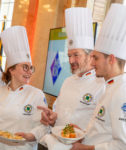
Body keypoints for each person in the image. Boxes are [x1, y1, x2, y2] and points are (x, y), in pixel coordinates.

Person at [16, 7, 105, 150]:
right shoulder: (68, 81)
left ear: (90, 55)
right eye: (69, 56)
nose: (70, 61)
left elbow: (104, 128)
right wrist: (52, 118)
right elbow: (60, 114)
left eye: (76, 55)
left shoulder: (102, 84)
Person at [0, 26, 48, 150]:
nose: (30, 72)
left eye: (31, 68)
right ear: (12, 69)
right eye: (25, 67)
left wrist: (31, 135)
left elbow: (44, 126)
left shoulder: (37, 95)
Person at [71, 3, 126, 150]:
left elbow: (122, 145)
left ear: (111, 59)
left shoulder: (122, 92)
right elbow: (104, 131)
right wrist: (84, 134)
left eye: (96, 58)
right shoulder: (110, 86)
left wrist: (86, 148)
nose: (92, 63)